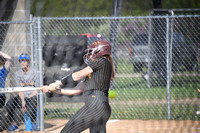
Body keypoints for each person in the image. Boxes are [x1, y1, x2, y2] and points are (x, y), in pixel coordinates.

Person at [42, 40, 115, 133]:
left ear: (99, 52)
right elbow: (75, 90)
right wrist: (50, 89)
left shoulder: (102, 61)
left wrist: (58, 83)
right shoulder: (96, 73)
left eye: (91, 52)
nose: (90, 56)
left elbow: (77, 76)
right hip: (101, 108)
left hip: (95, 106)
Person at [6, 53, 39, 131]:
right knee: (12, 103)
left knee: (31, 103)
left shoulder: (35, 72)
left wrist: (30, 97)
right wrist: (23, 100)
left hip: (32, 95)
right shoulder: (18, 74)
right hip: (23, 96)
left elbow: (37, 89)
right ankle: (15, 124)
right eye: (21, 61)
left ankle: (34, 123)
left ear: (28, 62)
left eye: (25, 61)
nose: (23, 63)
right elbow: (19, 90)